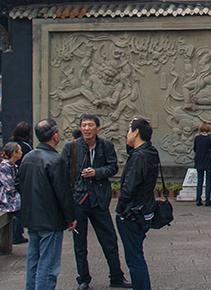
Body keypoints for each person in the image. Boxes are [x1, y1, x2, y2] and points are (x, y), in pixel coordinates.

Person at [61, 114, 130, 290]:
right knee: (80, 243)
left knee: (110, 240)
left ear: (97, 127)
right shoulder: (72, 147)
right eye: (84, 125)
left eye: (90, 125)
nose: (87, 129)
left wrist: (96, 172)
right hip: (79, 200)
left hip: (99, 200)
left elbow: (113, 167)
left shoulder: (106, 146)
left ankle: (116, 276)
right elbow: (63, 173)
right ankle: (83, 279)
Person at [19, 119, 76, 290]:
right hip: (50, 218)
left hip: (32, 217)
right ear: (55, 135)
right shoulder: (55, 160)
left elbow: (19, 185)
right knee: (48, 264)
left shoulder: (27, 158)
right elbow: (63, 192)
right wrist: (70, 216)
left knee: (34, 261)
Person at [116, 118, 160, 290]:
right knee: (137, 255)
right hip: (147, 209)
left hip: (133, 214)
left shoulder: (138, 157)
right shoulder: (150, 152)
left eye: (129, 131)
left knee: (134, 259)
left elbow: (129, 187)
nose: (127, 135)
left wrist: (120, 210)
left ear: (136, 133)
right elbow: (131, 148)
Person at [0, 142, 25, 243]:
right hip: (5, 198)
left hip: (11, 196)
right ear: (14, 153)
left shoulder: (13, 166)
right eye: (19, 150)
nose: (21, 152)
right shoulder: (3, 167)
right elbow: (10, 187)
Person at [193, 123, 211, 207]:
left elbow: (195, 149)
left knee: (199, 180)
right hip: (208, 161)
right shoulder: (210, 139)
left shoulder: (197, 138)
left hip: (199, 161)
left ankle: (198, 199)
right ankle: (207, 200)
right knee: (208, 181)